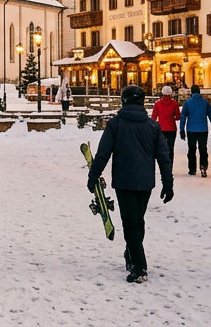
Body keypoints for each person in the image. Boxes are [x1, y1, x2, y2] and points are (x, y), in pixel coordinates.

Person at [86, 85, 174, 284]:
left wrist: (93, 176)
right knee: (138, 220)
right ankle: (131, 254)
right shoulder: (153, 126)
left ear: (123, 101)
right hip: (145, 182)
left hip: (124, 181)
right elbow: (163, 156)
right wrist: (167, 183)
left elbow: (103, 153)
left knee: (130, 223)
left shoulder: (115, 124)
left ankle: (139, 266)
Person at [179, 84, 211, 177]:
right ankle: (203, 167)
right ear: (199, 92)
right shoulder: (205, 103)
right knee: (203, 149)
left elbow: (183, 117)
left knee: (192, 149)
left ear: (191, 92)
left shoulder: (187, 103)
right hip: (203, 130)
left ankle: (192, 169)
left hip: (191, 130)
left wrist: (181, 129)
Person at [151, 86, 180, 160]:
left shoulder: (157, 104)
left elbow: (153, 117)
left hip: (161, 128)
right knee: (170, 148)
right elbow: (178, 116)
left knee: (161, 148)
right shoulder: (174, 104)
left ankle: (163, 166)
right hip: (171, 128)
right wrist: (172, 118)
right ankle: (169, 167)